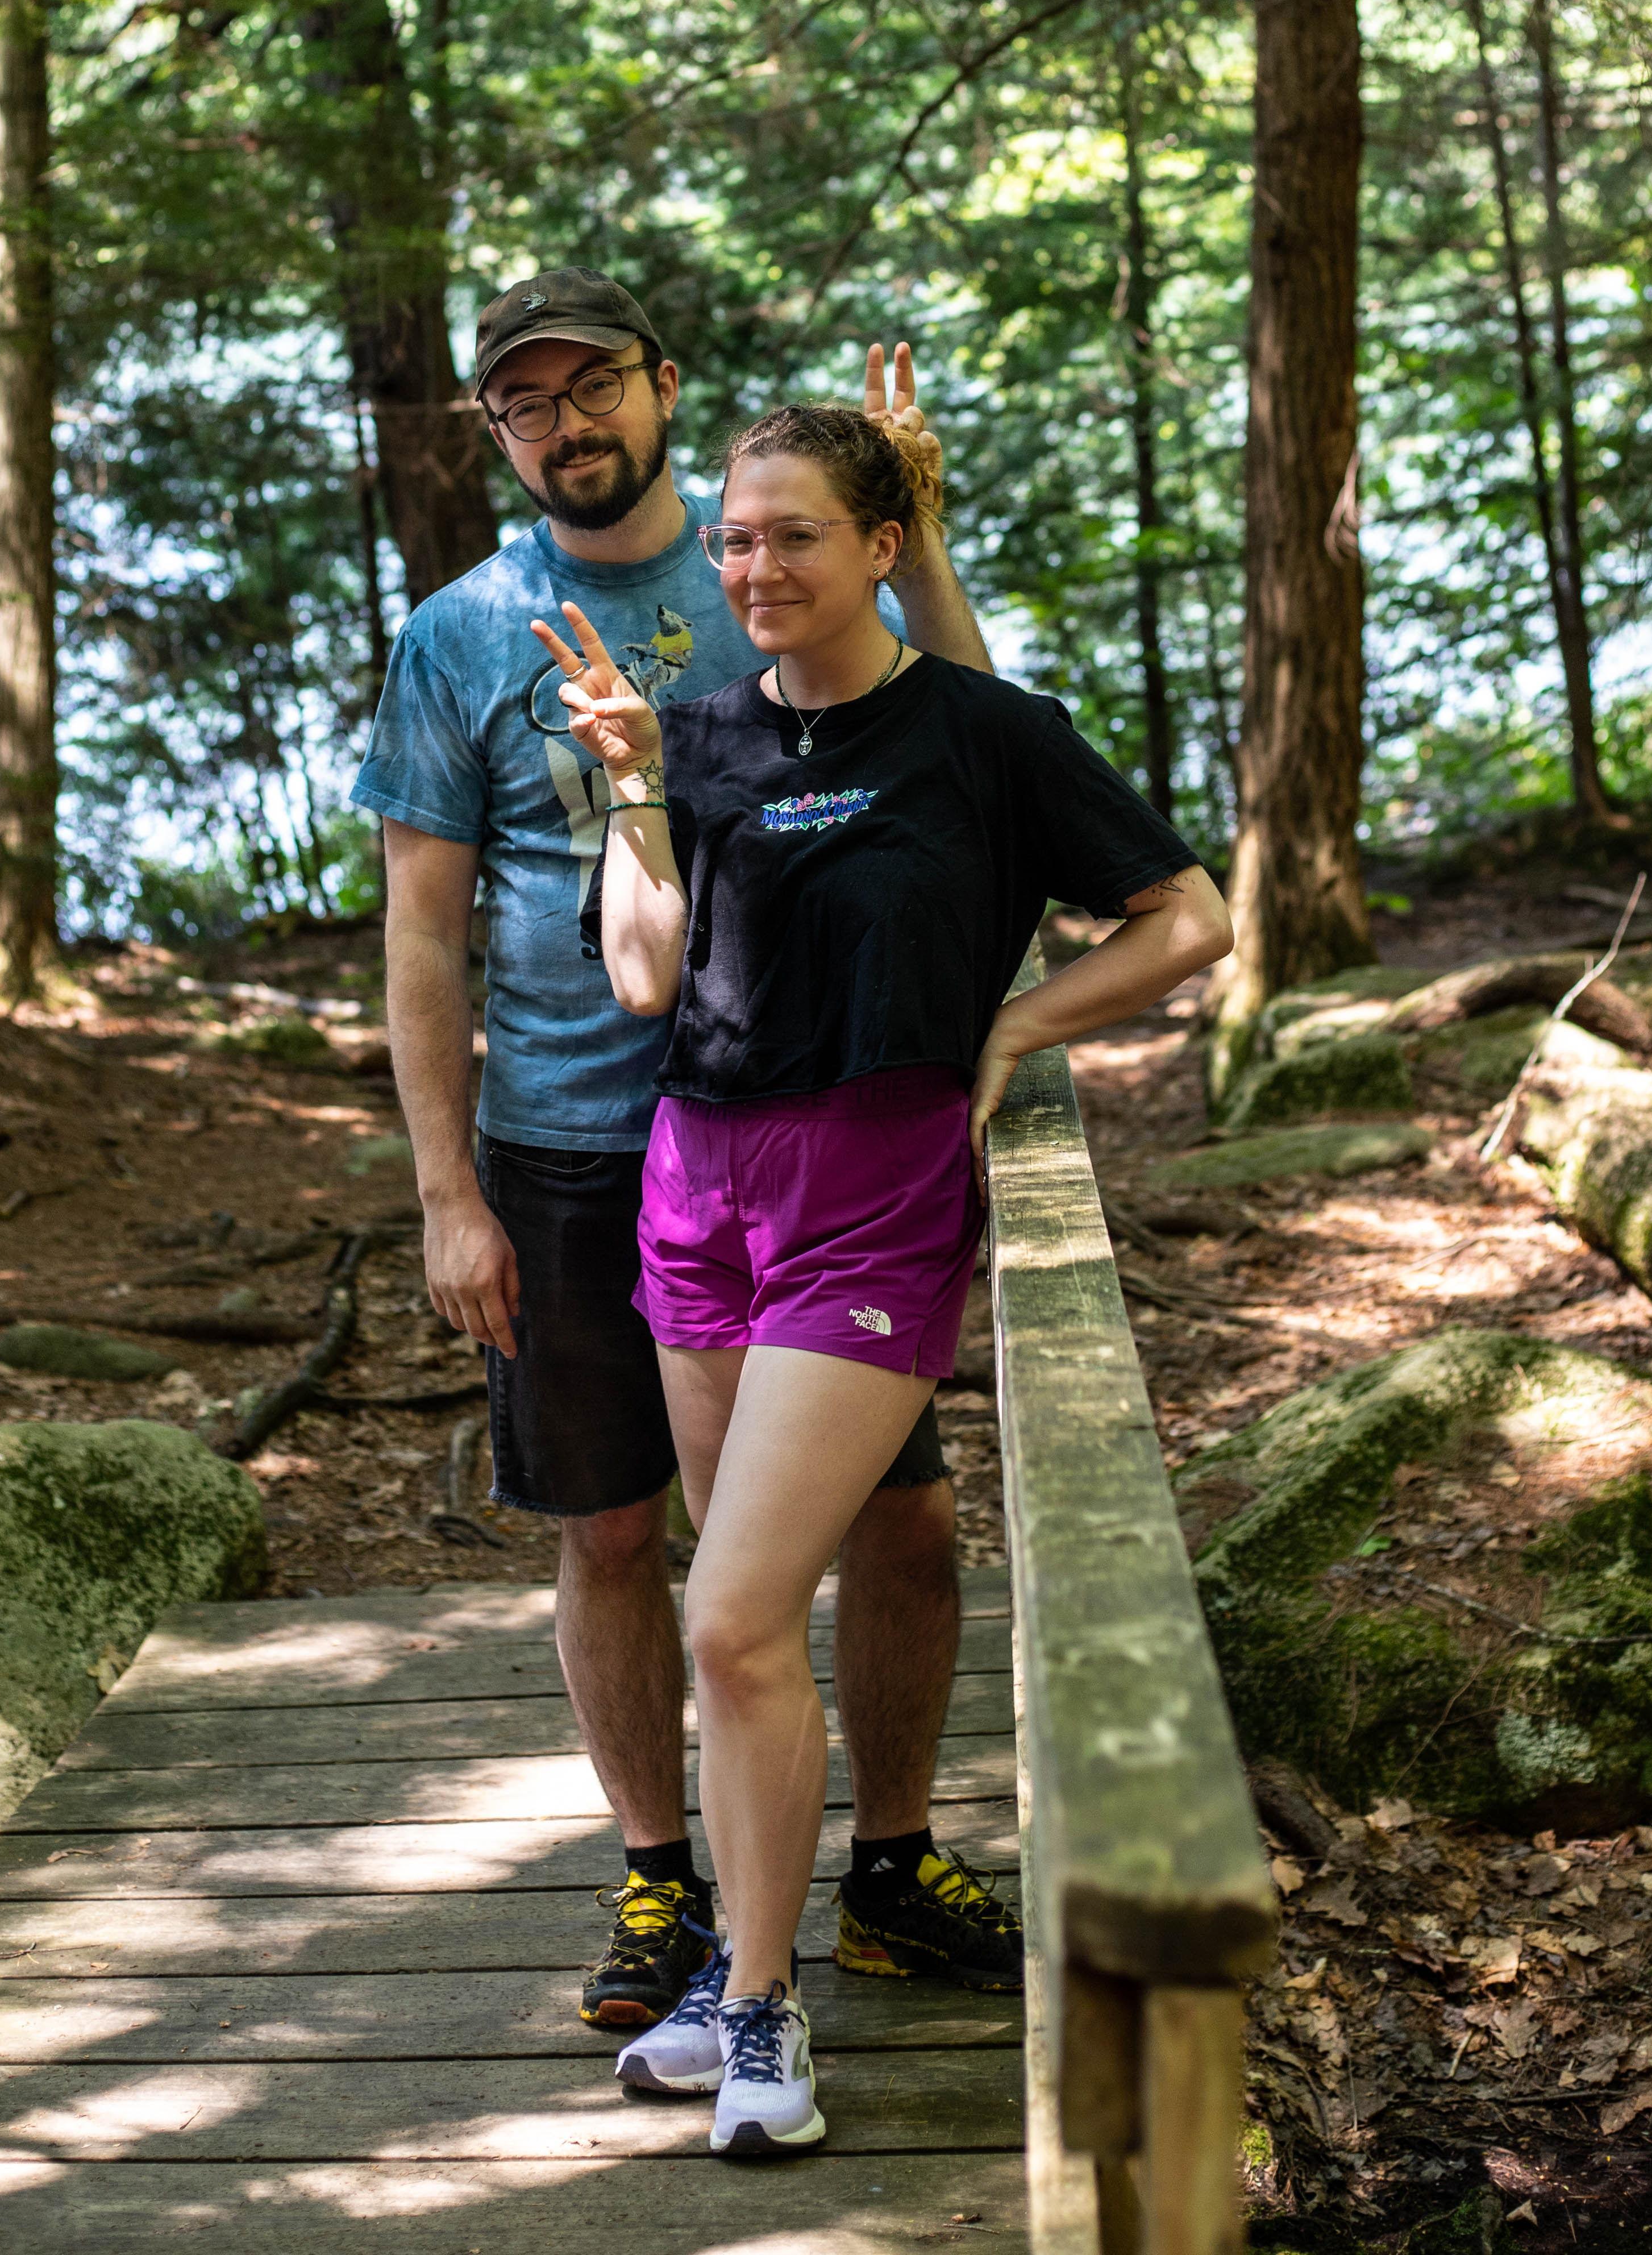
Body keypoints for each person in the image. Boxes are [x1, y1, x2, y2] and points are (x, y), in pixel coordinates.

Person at [534, 401, 1233, 2161]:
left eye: (795, 537)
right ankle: (748, 1978)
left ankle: (762, 2013)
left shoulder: (981, 734)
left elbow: (1187, 918)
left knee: (729, 1616)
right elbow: (640, 981)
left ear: (875, 544)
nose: (757, 568)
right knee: (745, 1623)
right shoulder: (687, 738)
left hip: (874, 1191)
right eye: (740, 542)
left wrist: (1020, 1019)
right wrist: (627, 784)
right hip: (696, 1189)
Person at [352, 272, 1023, 2043]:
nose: (564, 426)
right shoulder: (462, 635)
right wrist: (444, 1190)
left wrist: (923, 534)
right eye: (523, 404)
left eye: (593, 389)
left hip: (809, 1132)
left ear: (662, 388)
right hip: (571, 1146)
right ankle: (667, 1874)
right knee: (610, 1530)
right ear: (493, 430)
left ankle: (885, 1863)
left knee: (905, 1522)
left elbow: (969, 744)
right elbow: (425, 934)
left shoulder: (761, 563)